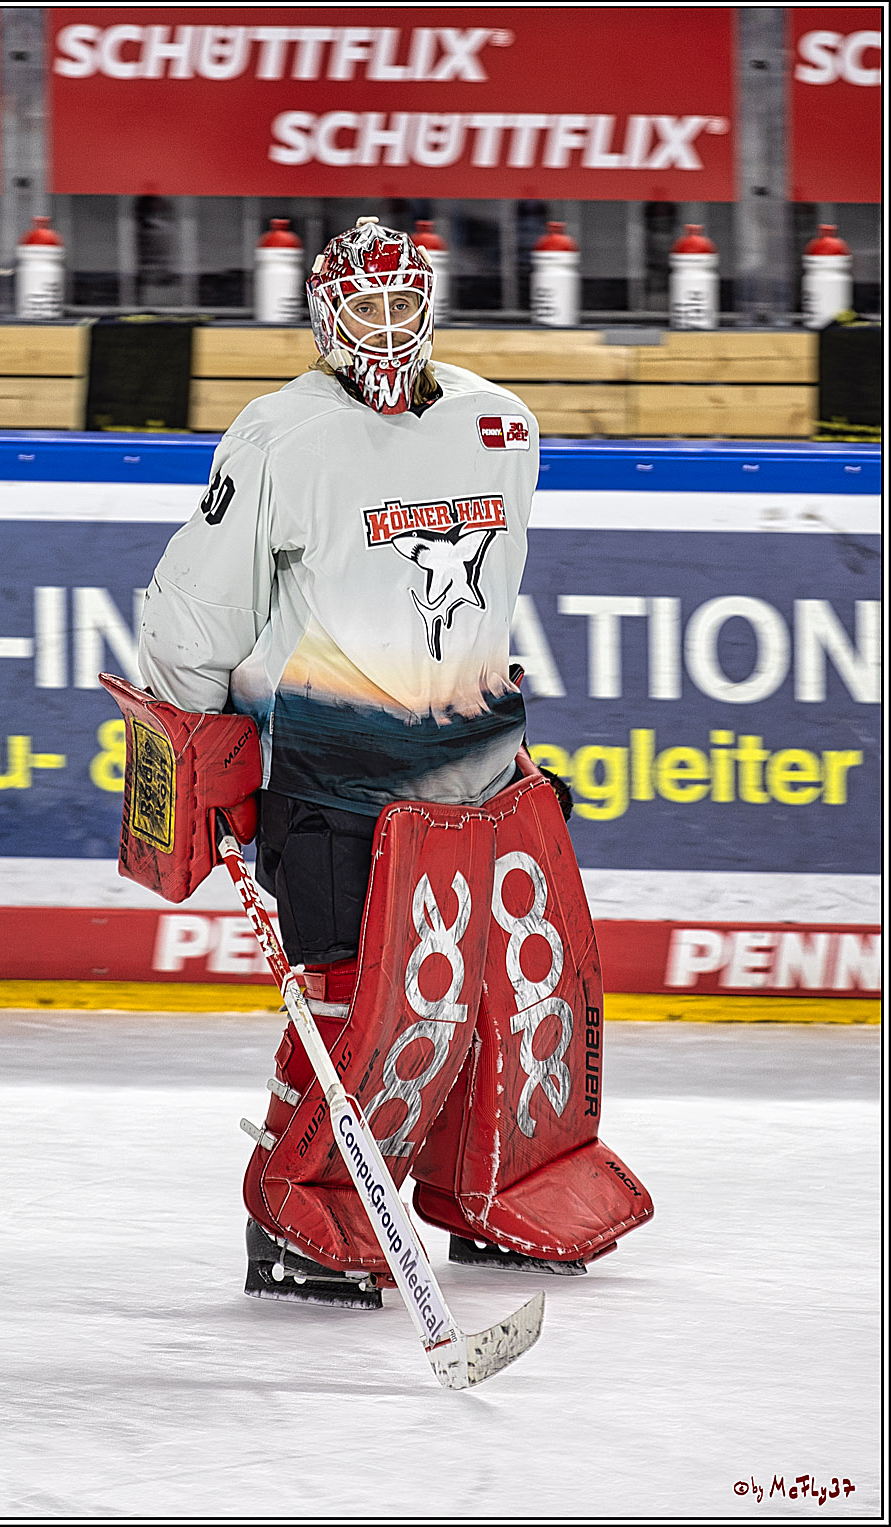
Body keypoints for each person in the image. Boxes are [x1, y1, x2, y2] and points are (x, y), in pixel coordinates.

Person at [135, 217, 651, 1308]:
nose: (384, 325)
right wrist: (195, 741)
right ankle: (303, 1212)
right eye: (362, 306)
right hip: (336, 779)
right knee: (359, 1002)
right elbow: (199, 605)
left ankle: (499, 1187)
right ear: (324, 317)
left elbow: (479, 604)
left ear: (430, 305)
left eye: (401, 301)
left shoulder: (500, 424)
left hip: (483, 769)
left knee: (511, 994)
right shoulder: (280, 436)